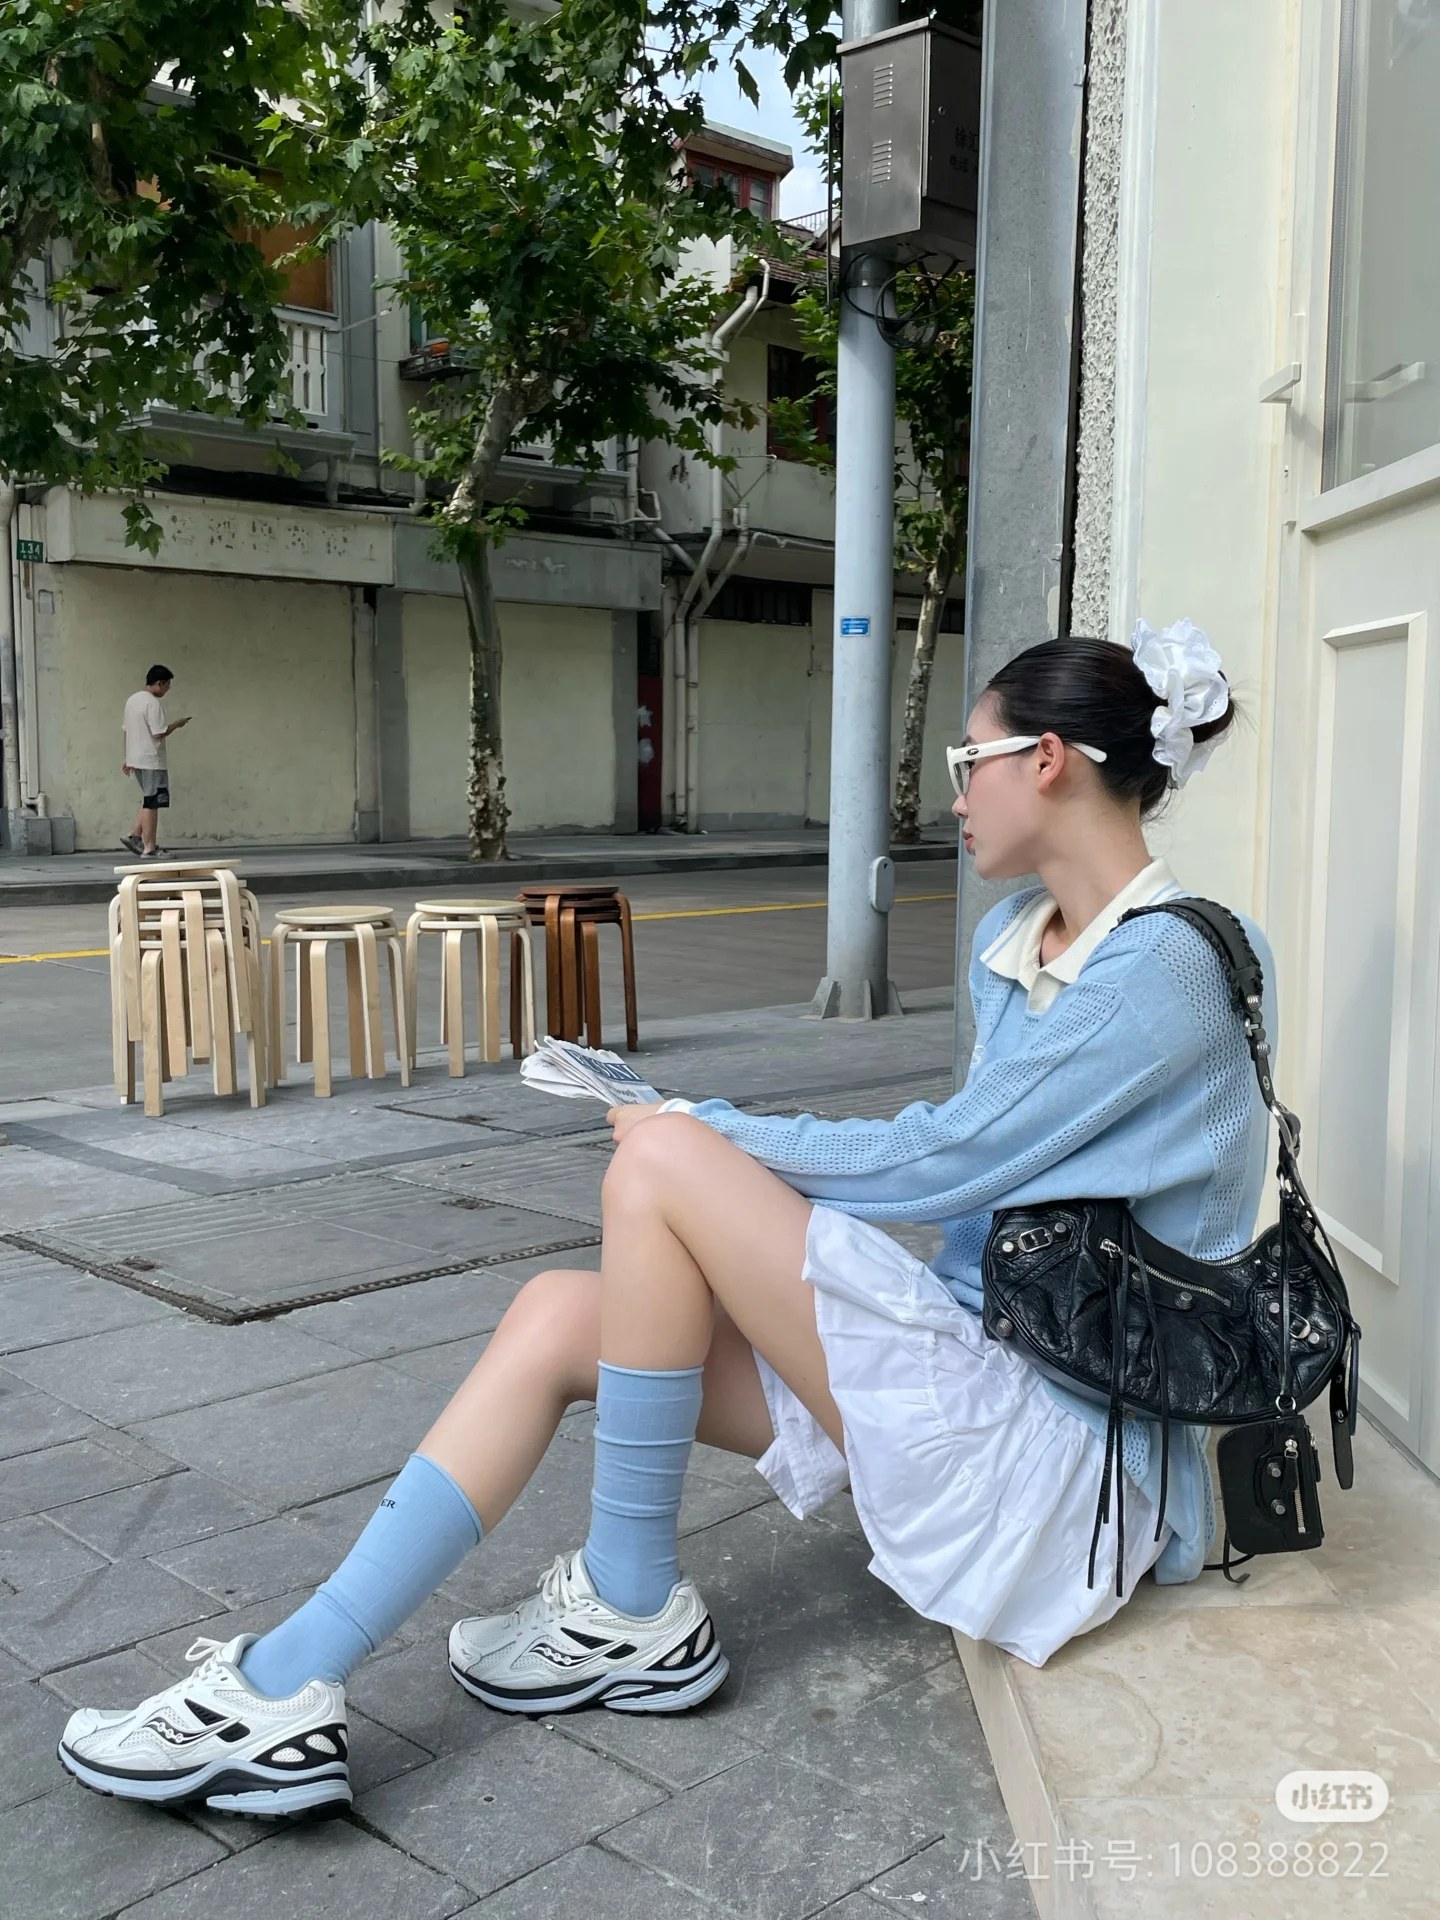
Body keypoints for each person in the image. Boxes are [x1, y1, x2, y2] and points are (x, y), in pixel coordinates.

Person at [58, 620, 1268, 1821]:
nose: (954, 796)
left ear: (1045, 762)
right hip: (969, 1381)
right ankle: (291, 1681)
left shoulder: (1166, 968)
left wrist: (694, 1125)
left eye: (969, 762)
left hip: (1064, 1478)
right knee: (557, 1317)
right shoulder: (1019, 942)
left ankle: (630, 1605)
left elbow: (945, 1160)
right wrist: (701, 1150)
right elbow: (966, 1176)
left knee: (664, 1160)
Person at [120, 665, 189, 857]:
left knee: (148, 798)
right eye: (167, 685)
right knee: (152, 802)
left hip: (136, 758)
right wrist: (177, 724)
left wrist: (127, 757)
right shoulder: (153, 704)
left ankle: (135, 835)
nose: (168, 689)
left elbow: (126, 730)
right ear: (159, 683)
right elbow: (159, 732)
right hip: (152, 760)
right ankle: (149, 847)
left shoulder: (132, 700)